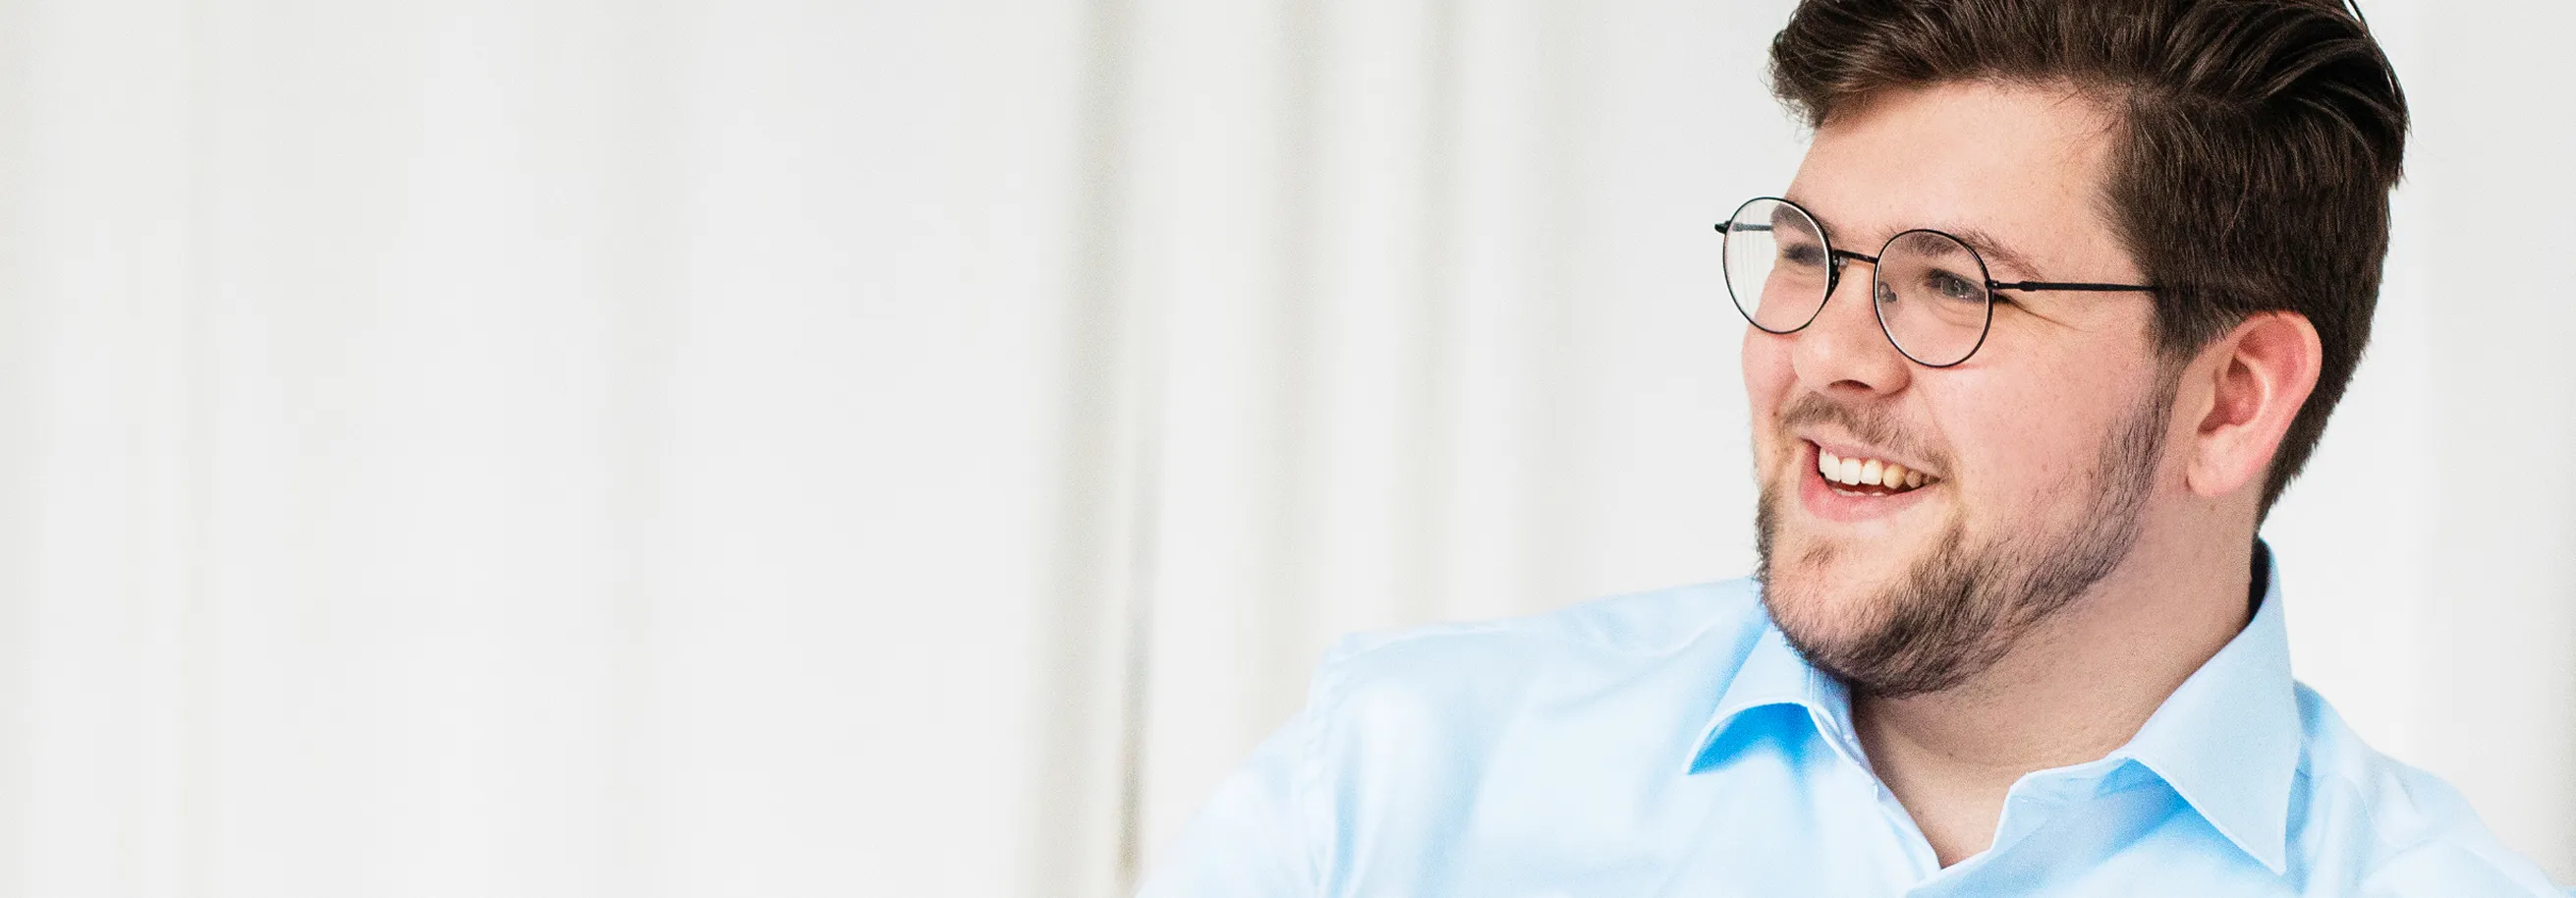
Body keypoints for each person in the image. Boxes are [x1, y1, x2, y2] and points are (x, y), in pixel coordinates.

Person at [1135, 0, 2566, 894]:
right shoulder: (1390, 792)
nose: (1823, 353)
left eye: (1949, 282)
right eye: (1806, 252)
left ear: (2230, 397)